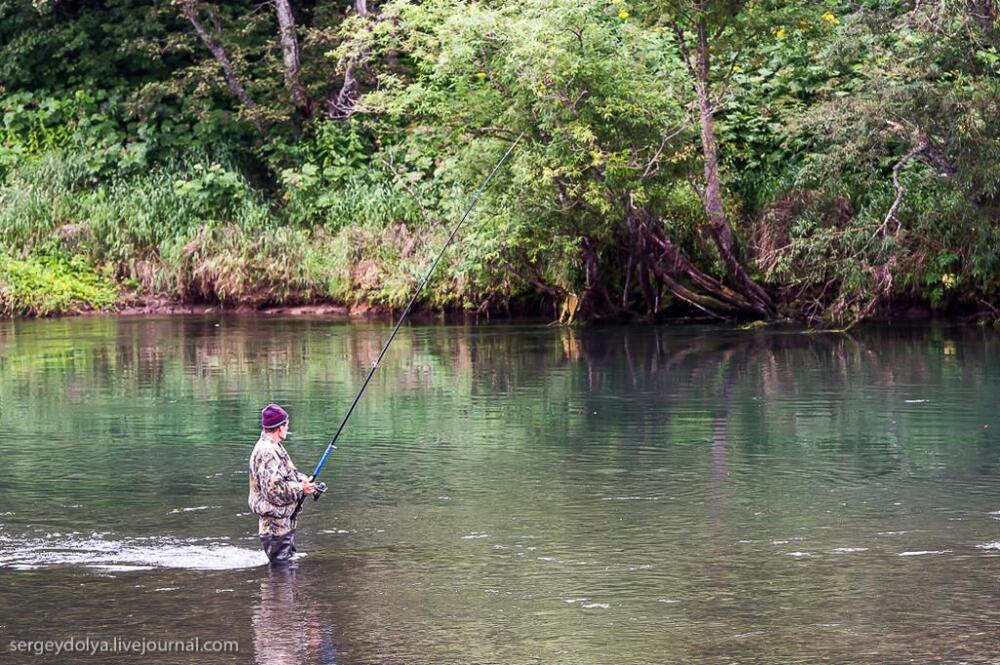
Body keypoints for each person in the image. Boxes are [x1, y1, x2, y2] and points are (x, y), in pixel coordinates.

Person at [248, 403, 318, 565]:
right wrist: (300, 488)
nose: (287, 428)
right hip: (274, 530)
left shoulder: (273, 447)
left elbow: (285, 476)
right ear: (280, 428)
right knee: (280, 580)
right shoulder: (267, 452)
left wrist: (303, 481)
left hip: (281, 526)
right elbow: (273, 491)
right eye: (287, 425)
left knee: (287, 578)